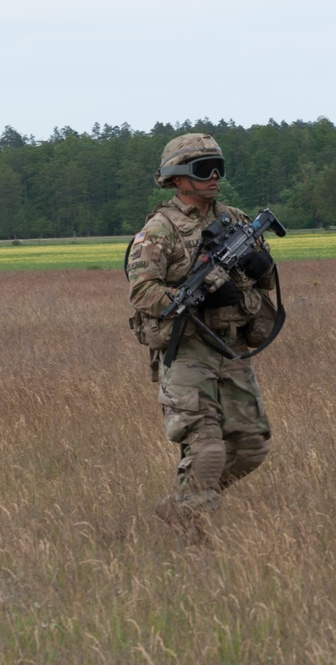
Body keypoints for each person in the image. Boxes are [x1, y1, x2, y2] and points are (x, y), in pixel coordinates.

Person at [127, 133, 279, 542]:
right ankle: (195, 544)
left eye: (219, 169)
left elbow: (263, 276)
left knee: (251, 446)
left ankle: (183, 503)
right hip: (189, 348)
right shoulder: (159, 229)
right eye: (202, 169)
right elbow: (142, 291)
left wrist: (261, 265)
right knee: (208, 451)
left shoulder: (237, 219)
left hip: (232, 347)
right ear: (177, 178)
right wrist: (191, 297)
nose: (214, 177)